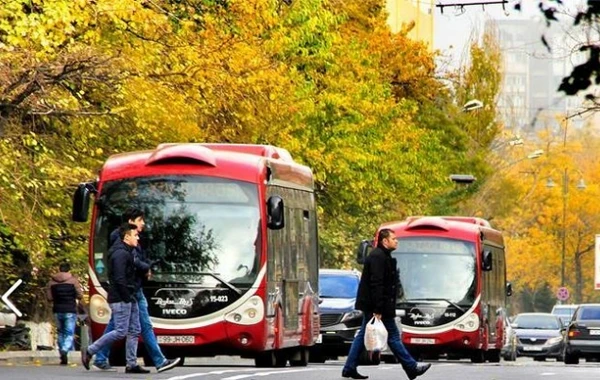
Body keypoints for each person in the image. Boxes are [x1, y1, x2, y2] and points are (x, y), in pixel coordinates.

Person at [92, 208, 180, 373]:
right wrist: (145, 268)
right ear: (131, 221)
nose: (143, 224)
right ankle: (160, 361)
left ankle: (102, 357)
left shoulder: (132, 238)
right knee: (143, 326)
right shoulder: (121, 238)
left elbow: (136, 259)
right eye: (140, 220)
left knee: (121, 327)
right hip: (130, 291)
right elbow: (131, 261)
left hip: (133, 288)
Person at [342, 229, 432, 380]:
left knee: (365, 334)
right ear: (385, 241)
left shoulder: (383, 256)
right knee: (393, 336)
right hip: (377, 306)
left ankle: (349, 368)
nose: (397, 241)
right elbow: (377, 284)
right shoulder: (378, 257)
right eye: (393, 238)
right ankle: (411, 367)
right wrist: (378, 308)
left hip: (377, 305)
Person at [81, 223, 148, 373]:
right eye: (135, 235)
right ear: (126, 237)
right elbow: (119, 279)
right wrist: (126, 297)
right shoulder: (120, 254)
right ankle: (90, 350)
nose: (138, 237)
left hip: (129, 296)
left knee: (134, 330)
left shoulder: (127, 252)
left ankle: (131, 364)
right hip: (121, 298)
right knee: (121, 331)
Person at [47, 262, 83, 365]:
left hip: (57, 310)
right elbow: (80, 295)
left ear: (59, 269)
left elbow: (49, 298)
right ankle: (65, 349)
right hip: (70, 310)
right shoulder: (73, 281)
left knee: (60, 332)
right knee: (69, 332)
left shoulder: (51, 283)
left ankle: (63, 354)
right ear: (68, 270)